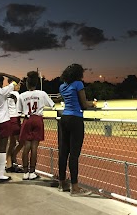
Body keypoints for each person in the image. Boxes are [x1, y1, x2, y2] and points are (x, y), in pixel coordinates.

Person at [58, 64, 93, 197]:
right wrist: (92, 104)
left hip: (64, 119)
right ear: (78, 74)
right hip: (75, 119)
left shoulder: (62, 86)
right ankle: (75, 188)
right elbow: (84, 104)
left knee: (63, 152)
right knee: (74, 154)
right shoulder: (78, 84)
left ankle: (62, 184)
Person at [17, 71, 55, 180]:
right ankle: (32, 172)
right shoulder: (42, 93)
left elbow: (19, 111)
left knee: (26, 147)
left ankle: (25, 172)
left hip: (27, 119)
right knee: (34, 148)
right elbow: (52, 105)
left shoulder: (22, 95)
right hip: (38, 119)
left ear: (27, 84)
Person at [5, 79, 24, 173]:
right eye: (18, 84)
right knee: (22, 141)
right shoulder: (16, 94)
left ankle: (9, 164)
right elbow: (21, 107)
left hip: (7, 119)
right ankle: (13, 157)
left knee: (12, 143)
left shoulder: (6, 94)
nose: (19, 86)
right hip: (14, 119)